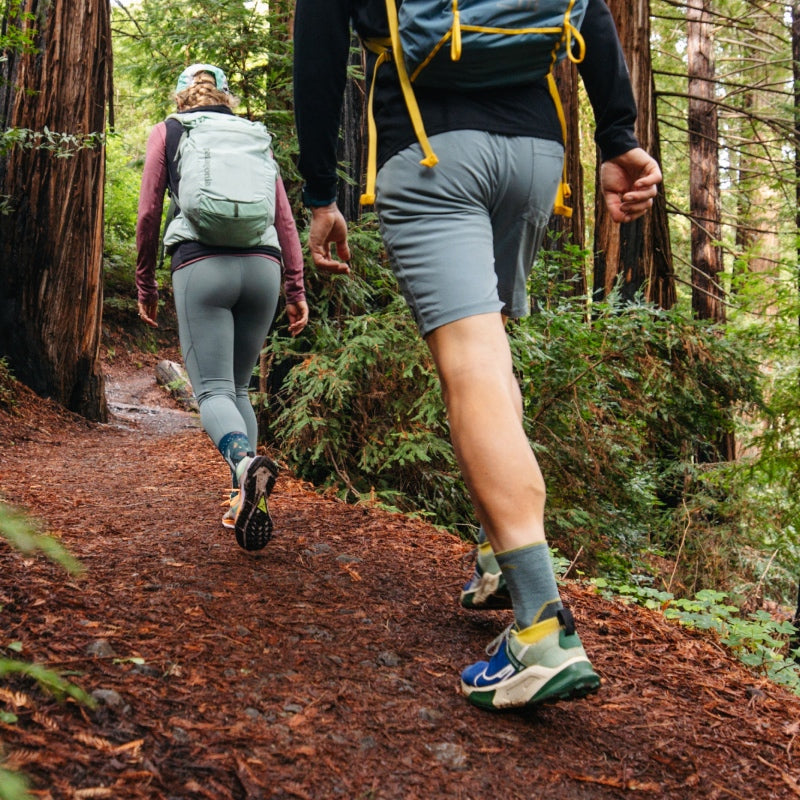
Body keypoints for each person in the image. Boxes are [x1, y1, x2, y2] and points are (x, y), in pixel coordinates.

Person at [293, 1, 662, 710]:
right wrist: (618, 136)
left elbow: (317, 52)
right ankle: (497, 555)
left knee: (470, 365)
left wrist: (320, 192)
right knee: (488, 352)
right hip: (534, 153)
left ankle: (541, 631)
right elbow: (593, 13)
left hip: (431, 151)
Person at [136, 63, 309, 552]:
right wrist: (295, 289)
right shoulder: (255, 134)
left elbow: (150, 210)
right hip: (263, 269)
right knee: (238, 389)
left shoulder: (169, 132)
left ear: (180, 97)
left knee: (211, 391)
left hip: (201, 265)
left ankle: (242, 462)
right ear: (226, 97)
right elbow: (284, 217)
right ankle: (242, 498)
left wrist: (144, 281)